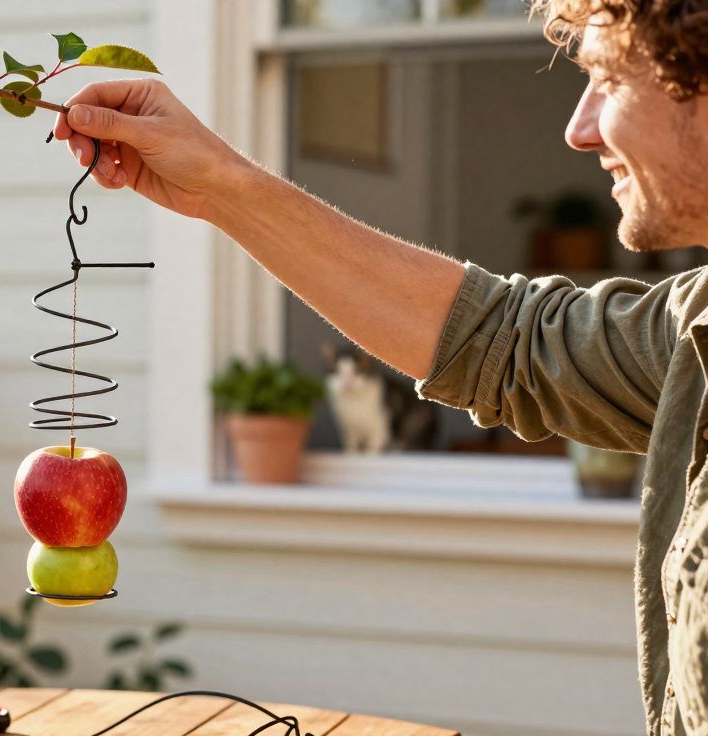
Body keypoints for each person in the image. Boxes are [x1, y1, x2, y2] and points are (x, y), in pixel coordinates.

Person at [54, 1, 708, 734]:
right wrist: (219, 185)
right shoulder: (691, 331)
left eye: (608, 79)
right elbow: (505, 340)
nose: (579, 128)